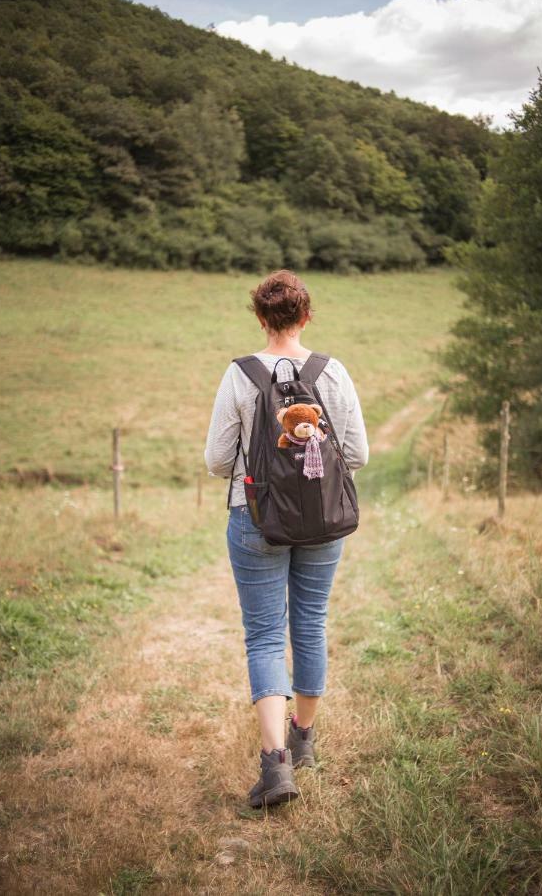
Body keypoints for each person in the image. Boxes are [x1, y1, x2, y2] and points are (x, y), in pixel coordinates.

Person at [204, 269, 369, 808]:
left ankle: (275, 768)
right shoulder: (333, 372)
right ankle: (304, 739)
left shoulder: (240, 375)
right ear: (306, 316)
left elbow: (215, 461)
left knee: (264, 634)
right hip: (323, 520)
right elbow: (359, 455)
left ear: (260, 318)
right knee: (310, 623)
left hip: (255, 518)